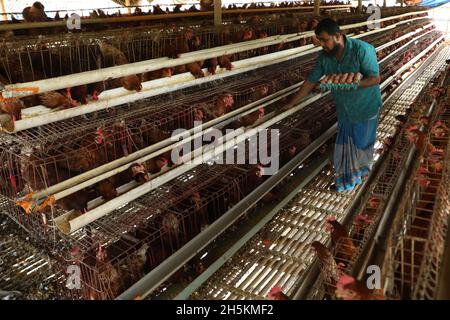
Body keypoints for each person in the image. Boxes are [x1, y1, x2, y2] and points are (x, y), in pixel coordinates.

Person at [283, 18, 382, 192]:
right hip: (345, 109)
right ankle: (347, 182)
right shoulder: (324, 58)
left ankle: (362, 175)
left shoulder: (362, 50)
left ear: (338, 36)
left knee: (362, 144)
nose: (322, 44)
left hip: (365, 107)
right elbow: (311, 81)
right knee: (345, 146)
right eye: (320, 40)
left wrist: (352, 84)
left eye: (324, 40)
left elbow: (375, 78)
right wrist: (292, 103)